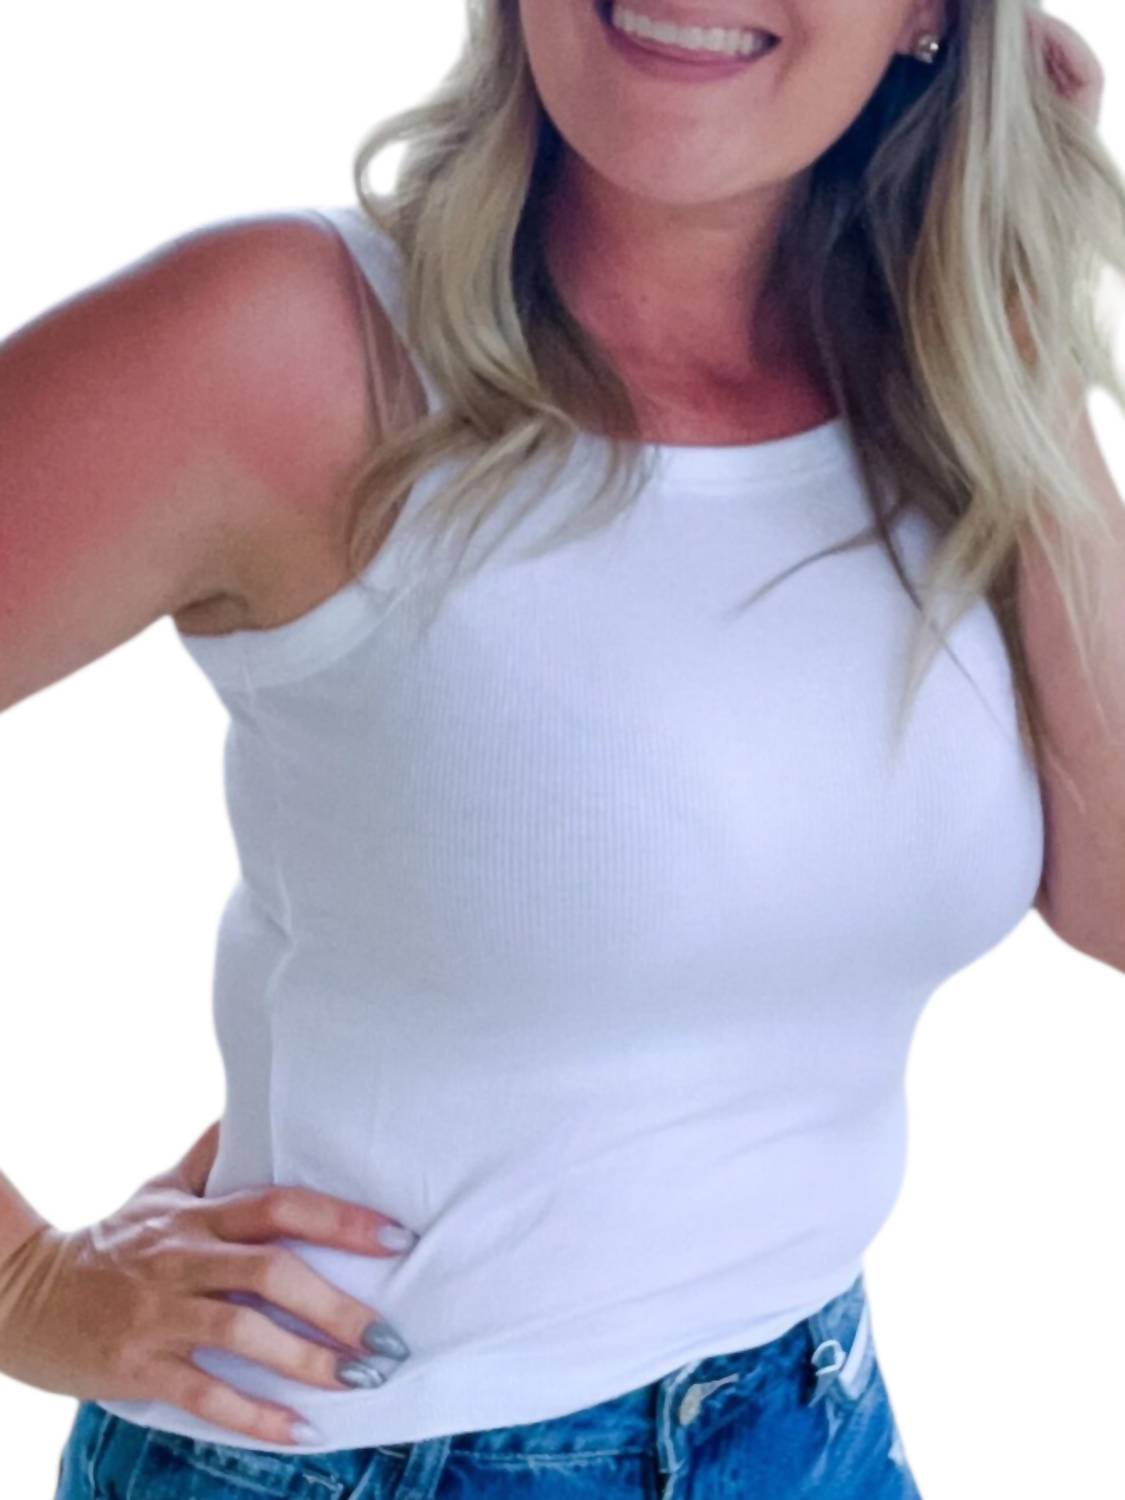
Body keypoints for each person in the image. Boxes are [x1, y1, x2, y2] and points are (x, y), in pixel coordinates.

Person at [1, 2, 1121, 1497]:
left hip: (808, 1419)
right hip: (368, 1457)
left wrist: (1016, 324)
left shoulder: (924, 385)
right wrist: (24, 1287)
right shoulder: (292, 343)